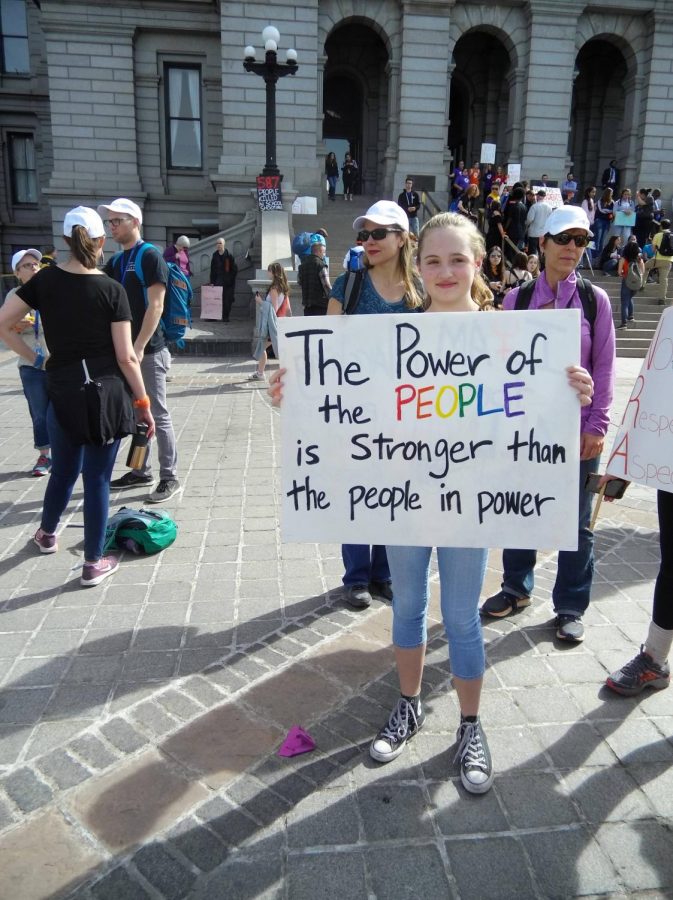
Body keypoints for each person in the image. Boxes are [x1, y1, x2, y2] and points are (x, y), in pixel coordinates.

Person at [480, 206, 616, 643]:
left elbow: (606, 368)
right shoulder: (516, 300)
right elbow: (500, 368)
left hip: (575, 431)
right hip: (525, 431)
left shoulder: (595, 302)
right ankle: (516, 587)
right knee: (522, 509)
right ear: (543, 243)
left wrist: (596, 424)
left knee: (576, 523)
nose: (572, 248)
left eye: (581, 240)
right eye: (564, 238)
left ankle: (571, 604)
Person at [0, 207, 155, 587]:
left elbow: (3, 322)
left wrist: (35, 356)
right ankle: (92, 562)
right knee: (98, 478)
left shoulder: (45, 281)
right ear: (101, 242)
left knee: (64, 470)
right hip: (107, 393)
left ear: (66, 241)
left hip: (63, 388)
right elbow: (126, 356)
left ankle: (47, 534)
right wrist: (143, 403)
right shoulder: (111, 289)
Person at [327, 199, 422, 609]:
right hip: (355, 413)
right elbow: (324, 351)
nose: (369, 241)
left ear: (403, 239)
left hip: (405, 413)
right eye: (363, 234)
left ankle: (383, 573)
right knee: (357, 493)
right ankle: (356, 576)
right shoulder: (347, 285)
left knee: (394, 494)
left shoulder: (422, 290)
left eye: (379, 233)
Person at [99, 197, 181, 504]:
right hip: (128, 352)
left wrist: (138, 346)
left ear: (135, 222)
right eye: (110, 222)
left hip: (148, 350)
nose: (112, 226)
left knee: (157, 413)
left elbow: (156, 305)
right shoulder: (117, 261)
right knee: (136, 415)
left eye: (117, 221)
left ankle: (169, 476)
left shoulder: (149, 256)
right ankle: (139, 469)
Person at [6, 249, 51, 476]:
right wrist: (17, 325)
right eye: (27, 266)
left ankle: (66, 453)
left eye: (36, 264)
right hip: (30, 364)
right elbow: (5, 328)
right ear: (17, 272)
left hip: (56, 361)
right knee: (39, 412)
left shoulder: (51, 292)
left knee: (63, 410)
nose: (34, 268)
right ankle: (44, 454)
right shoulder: (14, 296)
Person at [250, 262, 291, 382]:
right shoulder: (283, 287)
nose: (267, 273)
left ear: (274, 273)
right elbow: (288, 308)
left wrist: (260, 301)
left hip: (273, 324)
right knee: (268, 347)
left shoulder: (274, 288)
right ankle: (260, 372)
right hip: (280, 322)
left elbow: (273, 308)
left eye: (269, 270)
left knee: (263, 347)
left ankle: (262, 373)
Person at [298, 233, 331, 316]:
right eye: (324, 252)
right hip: (321, 307)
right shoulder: (321, 265)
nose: (324, 255)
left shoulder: (302, 265)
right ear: (319, 251)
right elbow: (326, 286)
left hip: (307, 306)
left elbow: (299, 282)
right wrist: (333, 298)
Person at [643, 217, 673, 305]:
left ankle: (642, 285)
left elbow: (653, 250)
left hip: (657, 259)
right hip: (668, 261)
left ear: (661, 226)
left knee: (645, 267)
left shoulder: (657, 235)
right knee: (664, 279)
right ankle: (662, 299)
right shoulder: (672, 235)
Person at [617, 239, 645, 328]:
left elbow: (619, 272)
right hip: (637, 283)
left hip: (626, 281)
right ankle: (631, 316)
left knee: (624, 302)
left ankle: (623, 323)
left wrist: (624, 274)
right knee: (630, 298)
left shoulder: (623, 259)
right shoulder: (639, 259)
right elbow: (642, 271)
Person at [209, 237, 238, 322]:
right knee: (216, 299)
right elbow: (212, 269)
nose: (218, 245)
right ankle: (214, 316)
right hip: (218, 280)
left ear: (224, 244)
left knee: (227, 300)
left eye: (220, 243)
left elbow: (234, 269)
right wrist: (212, 282)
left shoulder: (229, 255)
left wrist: (230, 278)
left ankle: (225, 317)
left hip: (228, 282)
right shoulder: (215, 255)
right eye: (217, 243)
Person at [503, 186, 527, 261]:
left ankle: (511, 264)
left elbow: (510, 219)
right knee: (517, 249)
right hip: (521, 231)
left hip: (512, 231)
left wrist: (505, 228)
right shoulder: (524, 206)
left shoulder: (513, 206)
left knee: (510, 250)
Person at [525, 189, 552, 256]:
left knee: (532, 252)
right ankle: (540, 265)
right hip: (543, 233)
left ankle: (533, 265)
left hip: (534, 233)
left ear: (538, 196)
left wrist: (526, 225)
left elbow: (529, 219)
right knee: (541, 251)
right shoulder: (549, 207)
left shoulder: (534, 206)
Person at [593, 188, 614, 255]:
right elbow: (601, 209)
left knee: (603, 239)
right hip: (599, 220)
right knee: (597, 238)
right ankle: (595, 254)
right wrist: (608, 211)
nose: (611, 194)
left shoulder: (612, 202)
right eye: (610, 193)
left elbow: (613, 211)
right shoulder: (600, 200)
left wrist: (608, 211)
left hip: (607, 222)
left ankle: (599, 254)